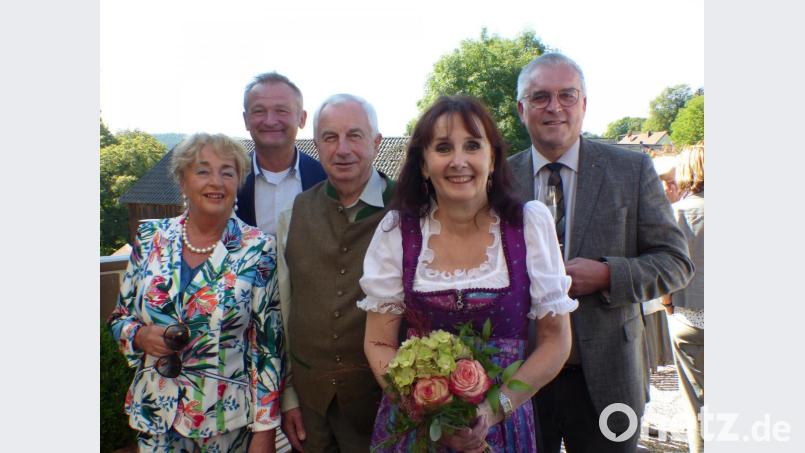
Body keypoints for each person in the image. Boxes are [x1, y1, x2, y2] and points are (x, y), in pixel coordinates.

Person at [361, 95, 578, 452]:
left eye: (473, 146)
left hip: (503, 423)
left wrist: (493, 411)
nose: (459, 161)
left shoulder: (528, 225)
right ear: (423, 165)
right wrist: (429, 415)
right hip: (420, 429)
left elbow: (556, 342)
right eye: (443, 148)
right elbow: (379, 342)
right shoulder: (398, 231)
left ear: (492, 159)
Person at [508, 52, 695, 452]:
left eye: (567, 95)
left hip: (609, 379)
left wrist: (609, 275)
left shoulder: (632, 171)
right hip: (521, 378)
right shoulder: (500, 180)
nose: (554, 107)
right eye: (540, 97)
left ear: (585, 104)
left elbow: (677, 264)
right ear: (522, 108)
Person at [108, 133, 284, 452]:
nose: (215, 181)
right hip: (154, 414)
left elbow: (267, 347)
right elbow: (119, 318)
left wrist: (265, 429)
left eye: (227, 172)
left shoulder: (259, 249)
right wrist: (138, 335)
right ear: (182, 180)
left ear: (238, 182)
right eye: (202, 170)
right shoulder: (149, 239)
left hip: (225, 423)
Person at [276, 94, 393, 452]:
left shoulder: (412, 210)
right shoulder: (294, 213)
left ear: (375, 143)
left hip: (381, 405)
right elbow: (284, 307)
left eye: (354, 136)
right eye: (330, 137)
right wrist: (290, 396)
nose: (342, 149)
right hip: (311, 407)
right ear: (317, 145)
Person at [236, 71, 327, 236]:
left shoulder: (326, 180)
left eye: (281, 110)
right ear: (246, 120)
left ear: (302, 118)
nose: (270, 120)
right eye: (259, 111)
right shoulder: (230, 180)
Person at [663, 145, 704, 453]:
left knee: (697, 406)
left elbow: (667, 268)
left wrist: (667, 305)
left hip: (689, 316)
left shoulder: (677, 212)